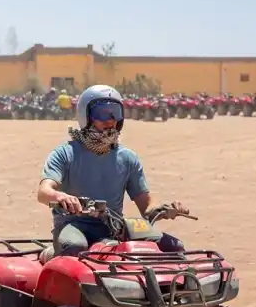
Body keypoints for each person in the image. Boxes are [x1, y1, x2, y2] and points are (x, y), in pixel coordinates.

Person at [36, 84, 187, 257]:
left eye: (115, 113)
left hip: (114, 226)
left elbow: (146, 206)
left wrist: (164, 209)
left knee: (174, 247)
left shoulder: (128, 158)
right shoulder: (65, 153)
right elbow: (43, 192)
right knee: (74, 247)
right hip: (75, 225)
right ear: (86, 117)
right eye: (102, 113)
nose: (110, 120)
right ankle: (51, 255)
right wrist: (61, 197)